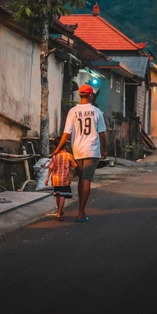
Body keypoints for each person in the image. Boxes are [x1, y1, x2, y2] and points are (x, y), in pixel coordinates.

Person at [52, 84, 107, 222]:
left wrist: (58, 149)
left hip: (77, 150)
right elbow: (102, 134)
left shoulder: (72, 111)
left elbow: (66, 134)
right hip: (92, 150)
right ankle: (81, 212)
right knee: (86, 180)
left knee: (81, 179)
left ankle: (80, 210)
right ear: (90, 95)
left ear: (80, 95)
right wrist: (104, 150)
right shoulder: (96, 111)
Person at [44, 137, 78, 221]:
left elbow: (50, 168)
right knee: (62, 195)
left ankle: (59, 210)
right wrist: (75, 173)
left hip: (55, 179)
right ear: (65, 145)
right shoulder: (68, 155)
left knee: (57, 195)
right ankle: (59, 212)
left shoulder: (55, 156)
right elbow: (75, 165)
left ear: (55, 146)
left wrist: (47, 178)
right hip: (64, 179)